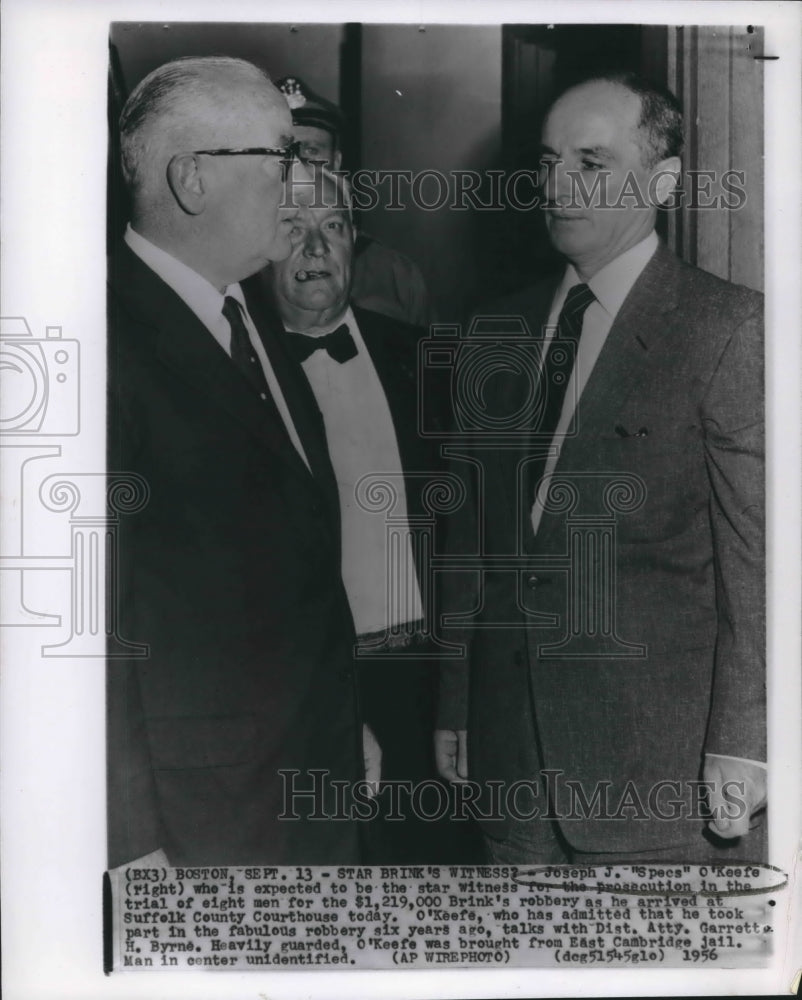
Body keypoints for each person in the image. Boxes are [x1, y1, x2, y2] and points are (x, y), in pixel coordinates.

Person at [435, 72, 766, 864]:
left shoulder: (726, 328)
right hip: (511, 765)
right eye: (548, 162)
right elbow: (469, 541)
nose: (558, 185)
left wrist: (746, 743)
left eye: (591, 163)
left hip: (661, 781)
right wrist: (456, 702)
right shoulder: (495, 328)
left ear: (664, 181)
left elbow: (760, 564)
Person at [107, 56, 379, 868]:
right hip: (199, 823)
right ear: (192, 179)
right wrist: (129, 839)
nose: (302, 181)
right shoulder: (99, 341)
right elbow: (86, 630)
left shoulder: (248, 309)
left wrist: (343, 723)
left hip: (312, 775)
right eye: (280, 155)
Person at [248, 170, 476, 861]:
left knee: (434, 872)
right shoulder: (235, 370)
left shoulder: (427, 361)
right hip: (301, 683)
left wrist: (464, 688)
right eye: (292, 228)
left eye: (333, 227)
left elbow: (472, 536)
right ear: (258, 247)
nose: (316, 246)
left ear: (355, 242)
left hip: (424, 678)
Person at [275, 75, 434, 329]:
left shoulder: (392, 273)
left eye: (312, 151)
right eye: (285, 153)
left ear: (336, 163)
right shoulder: (237, 264)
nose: (300, 167)